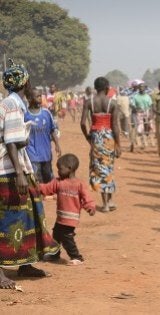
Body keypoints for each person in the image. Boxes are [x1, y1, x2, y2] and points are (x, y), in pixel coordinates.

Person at [0, 59, 59, 289]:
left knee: (29, 214)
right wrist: (20, 174)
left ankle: (26, 263)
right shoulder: (13, 105)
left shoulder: (12, 103)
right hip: (9, 171)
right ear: (25, 82)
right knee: (9, 219)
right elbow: (12, 143)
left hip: (18, 167)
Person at [39, 154, 96, 266]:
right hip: (60, 218)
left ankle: (76, 257)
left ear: (69, 168)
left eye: (60, 168)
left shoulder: (79, 184)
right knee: (56, 236)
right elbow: (47, 189)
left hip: (71, 218)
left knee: (67, 238)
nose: (58, 171)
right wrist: (36, 186)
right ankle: (55, 254)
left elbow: (87, 198)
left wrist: (90, 207)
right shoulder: (58, 182)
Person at [81, 77, 121, 213]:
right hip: (108, 137)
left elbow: (82, 123)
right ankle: (107, 203)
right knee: (108, 168)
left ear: (95, 87)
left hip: (96, 137)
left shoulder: (89, 102)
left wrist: (87, 136)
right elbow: (115, 126)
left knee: (99, 169)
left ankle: (108, 202)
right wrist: (118, 144)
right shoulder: (113, 103)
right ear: (108, 88)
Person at [25, 87, 61, 184]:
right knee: (36, 179)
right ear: (29, 98)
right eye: (37, 96)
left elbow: (52, 130)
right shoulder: (25, 115)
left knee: (47, 178)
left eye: (40, 96)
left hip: (46, 153)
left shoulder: (46, 113)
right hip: (32, 153)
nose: (40, 98)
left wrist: (57, 144)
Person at [131, 83, 153, 150]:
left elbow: (151, 105)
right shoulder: (135, 96)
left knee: (148, 127)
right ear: (138, 88)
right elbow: (132, 104)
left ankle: (145, 139)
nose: (141, 88)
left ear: (145, 88)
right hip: (139, 113)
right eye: (140, 87)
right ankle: (140, 142)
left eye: (143, 87)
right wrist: (136, 109)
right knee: (140, 128)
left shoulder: (148, 96)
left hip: (147, 112)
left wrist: (151, 113)